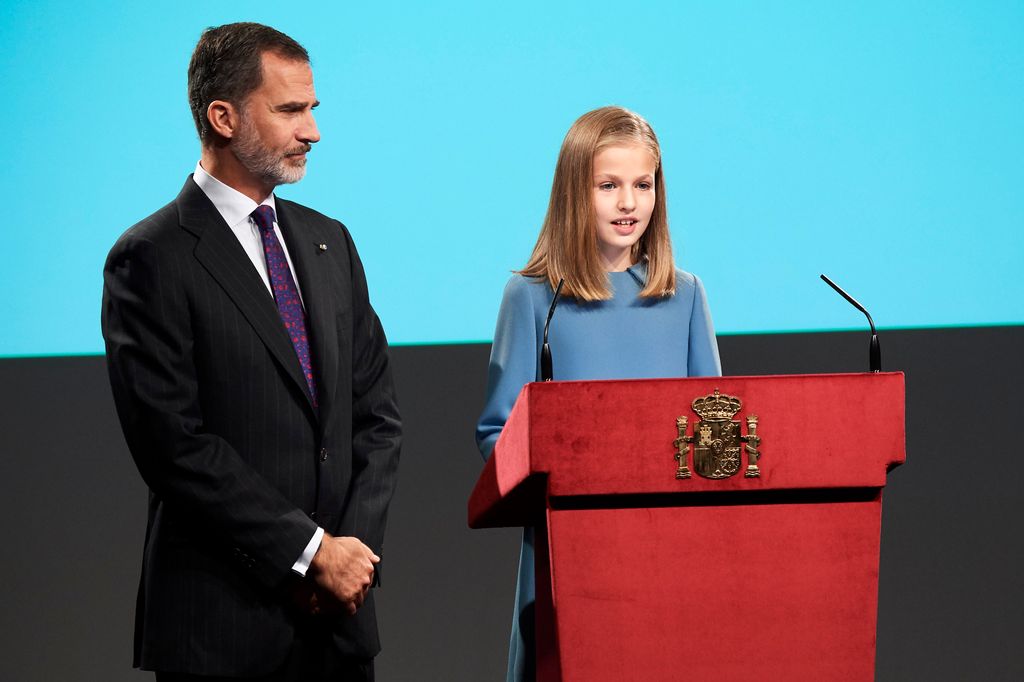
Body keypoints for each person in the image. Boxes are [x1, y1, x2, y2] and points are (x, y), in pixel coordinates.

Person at [101, 23, 400, 681]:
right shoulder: (150, 255)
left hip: (339, 627)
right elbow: (174, 447)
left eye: (312, 109)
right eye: (291, 110)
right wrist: (310, 554)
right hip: (222, 632)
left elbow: (377, 418)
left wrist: (348, 558)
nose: (313, 131)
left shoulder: (330, 241)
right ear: (224, 117)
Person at [475, 106, 722, 681]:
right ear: (573, 191)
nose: (628, 203)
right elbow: (497, 433)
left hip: (669, 549)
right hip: (570, 549)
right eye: (608, 186)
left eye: (643, 185)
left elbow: (714, 430)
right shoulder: (532, 296)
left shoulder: (685, 295)